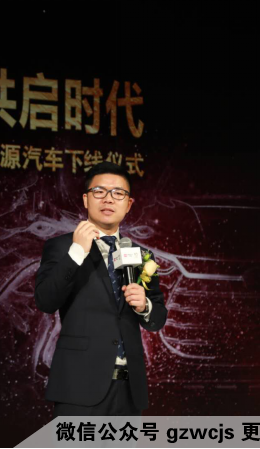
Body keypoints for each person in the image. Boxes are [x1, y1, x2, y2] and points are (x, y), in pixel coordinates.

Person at [34, 162, 168, 416]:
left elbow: (157, 318)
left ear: (129, 204)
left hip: (129, 390)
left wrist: (145, 306)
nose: (108, 199)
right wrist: (77, 252)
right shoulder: (62, 247)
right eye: (99, 192)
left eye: (118, 193)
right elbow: (46, 301)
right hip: (79, 386)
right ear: (86, 199)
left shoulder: (141, 255)